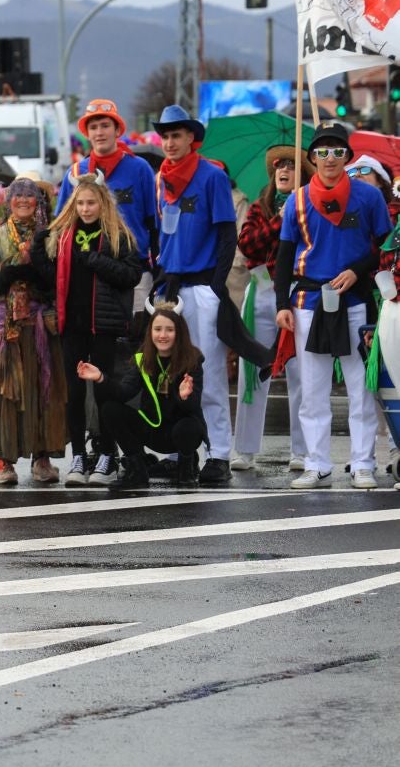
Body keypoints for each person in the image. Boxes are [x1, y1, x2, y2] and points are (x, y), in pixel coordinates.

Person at [275, 123, 390, 489]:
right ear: (311, 158)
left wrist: (358, 271)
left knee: (360, 388)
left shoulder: (369, 199)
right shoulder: (297, 200)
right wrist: (282, 304)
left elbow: (385, 250)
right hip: (309, 302)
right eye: (322, 152)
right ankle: (317, 464)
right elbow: (284, 257)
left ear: (348, 157)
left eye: (337, 151)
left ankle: (362, 464)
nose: (330, 158)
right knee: (312, 388)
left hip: (356, 302)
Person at [151, 104, 253, 486]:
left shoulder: (211, 177)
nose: (170, 142)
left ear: (191, 138)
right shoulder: (163, 179)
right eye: (165, 135)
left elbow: (229, 235)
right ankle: (181, 449)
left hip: (202, 287)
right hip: (171, 289)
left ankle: (220, 454)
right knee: (173, 371)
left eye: (177, 135)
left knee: (207, 372)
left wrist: (215, 285)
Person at [32, 174, 143, 486]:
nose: (85, 208)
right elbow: (51, 276)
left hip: (104, 325)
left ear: (103, 203)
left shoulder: (118, 235)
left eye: (91, 202)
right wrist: (39, 251)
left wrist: (97, 261)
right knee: (75, 392)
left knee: (104, 388)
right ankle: (79, 456)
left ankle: (107, 455)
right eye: (80, 202)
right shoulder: (64, 235)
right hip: (73, 325)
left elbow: (132, 274)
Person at [231, 145, 310, 473]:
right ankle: (245, 449)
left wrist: (297, 212)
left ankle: (303, 450)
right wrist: (280, 220)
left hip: (297, 293)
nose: (284, 170)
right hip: (262, 290)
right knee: (253, 370)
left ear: (301, 174)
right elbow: (248, 244)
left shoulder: (310, 206)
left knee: (301, 372)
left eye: (291, 166)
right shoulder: (260, 207)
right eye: (279, 165)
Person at [80, 306, 207, 491]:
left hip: (180, 432)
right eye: (157, 329)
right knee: (110, 409)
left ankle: (186, 469)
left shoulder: (192, 360)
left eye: (169, 330)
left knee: (189, 426)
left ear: (179, 333)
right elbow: (124, 392)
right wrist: (101, 378)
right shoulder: (143, 359)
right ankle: (137, 470)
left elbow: (193, 407)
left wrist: (184, 396)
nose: (162, 335)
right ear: (150, 332)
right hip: (152, 428)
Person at [0, 177, 66, 486]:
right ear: (9, 200)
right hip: (5, 324)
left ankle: (42, 460)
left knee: (43, 390)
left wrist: (29, 262)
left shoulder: (49, 237)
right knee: (5, 392)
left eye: (30, 195)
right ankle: (3, 462)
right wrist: (16, 269)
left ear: (39, 201)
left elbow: (54, 279)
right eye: (17, 195)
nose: (23, 200)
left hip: (39, 323)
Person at [55, 99, 158, 310]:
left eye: (105, 126)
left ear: (117, 129)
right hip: (89, 272)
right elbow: (61, 227)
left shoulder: (140, 169)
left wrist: (158, 268)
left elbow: (153, 222)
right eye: (93, 127)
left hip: (134, 271)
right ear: (87, 133)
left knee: (136, 337)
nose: (99, 132)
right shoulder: (75, 174)